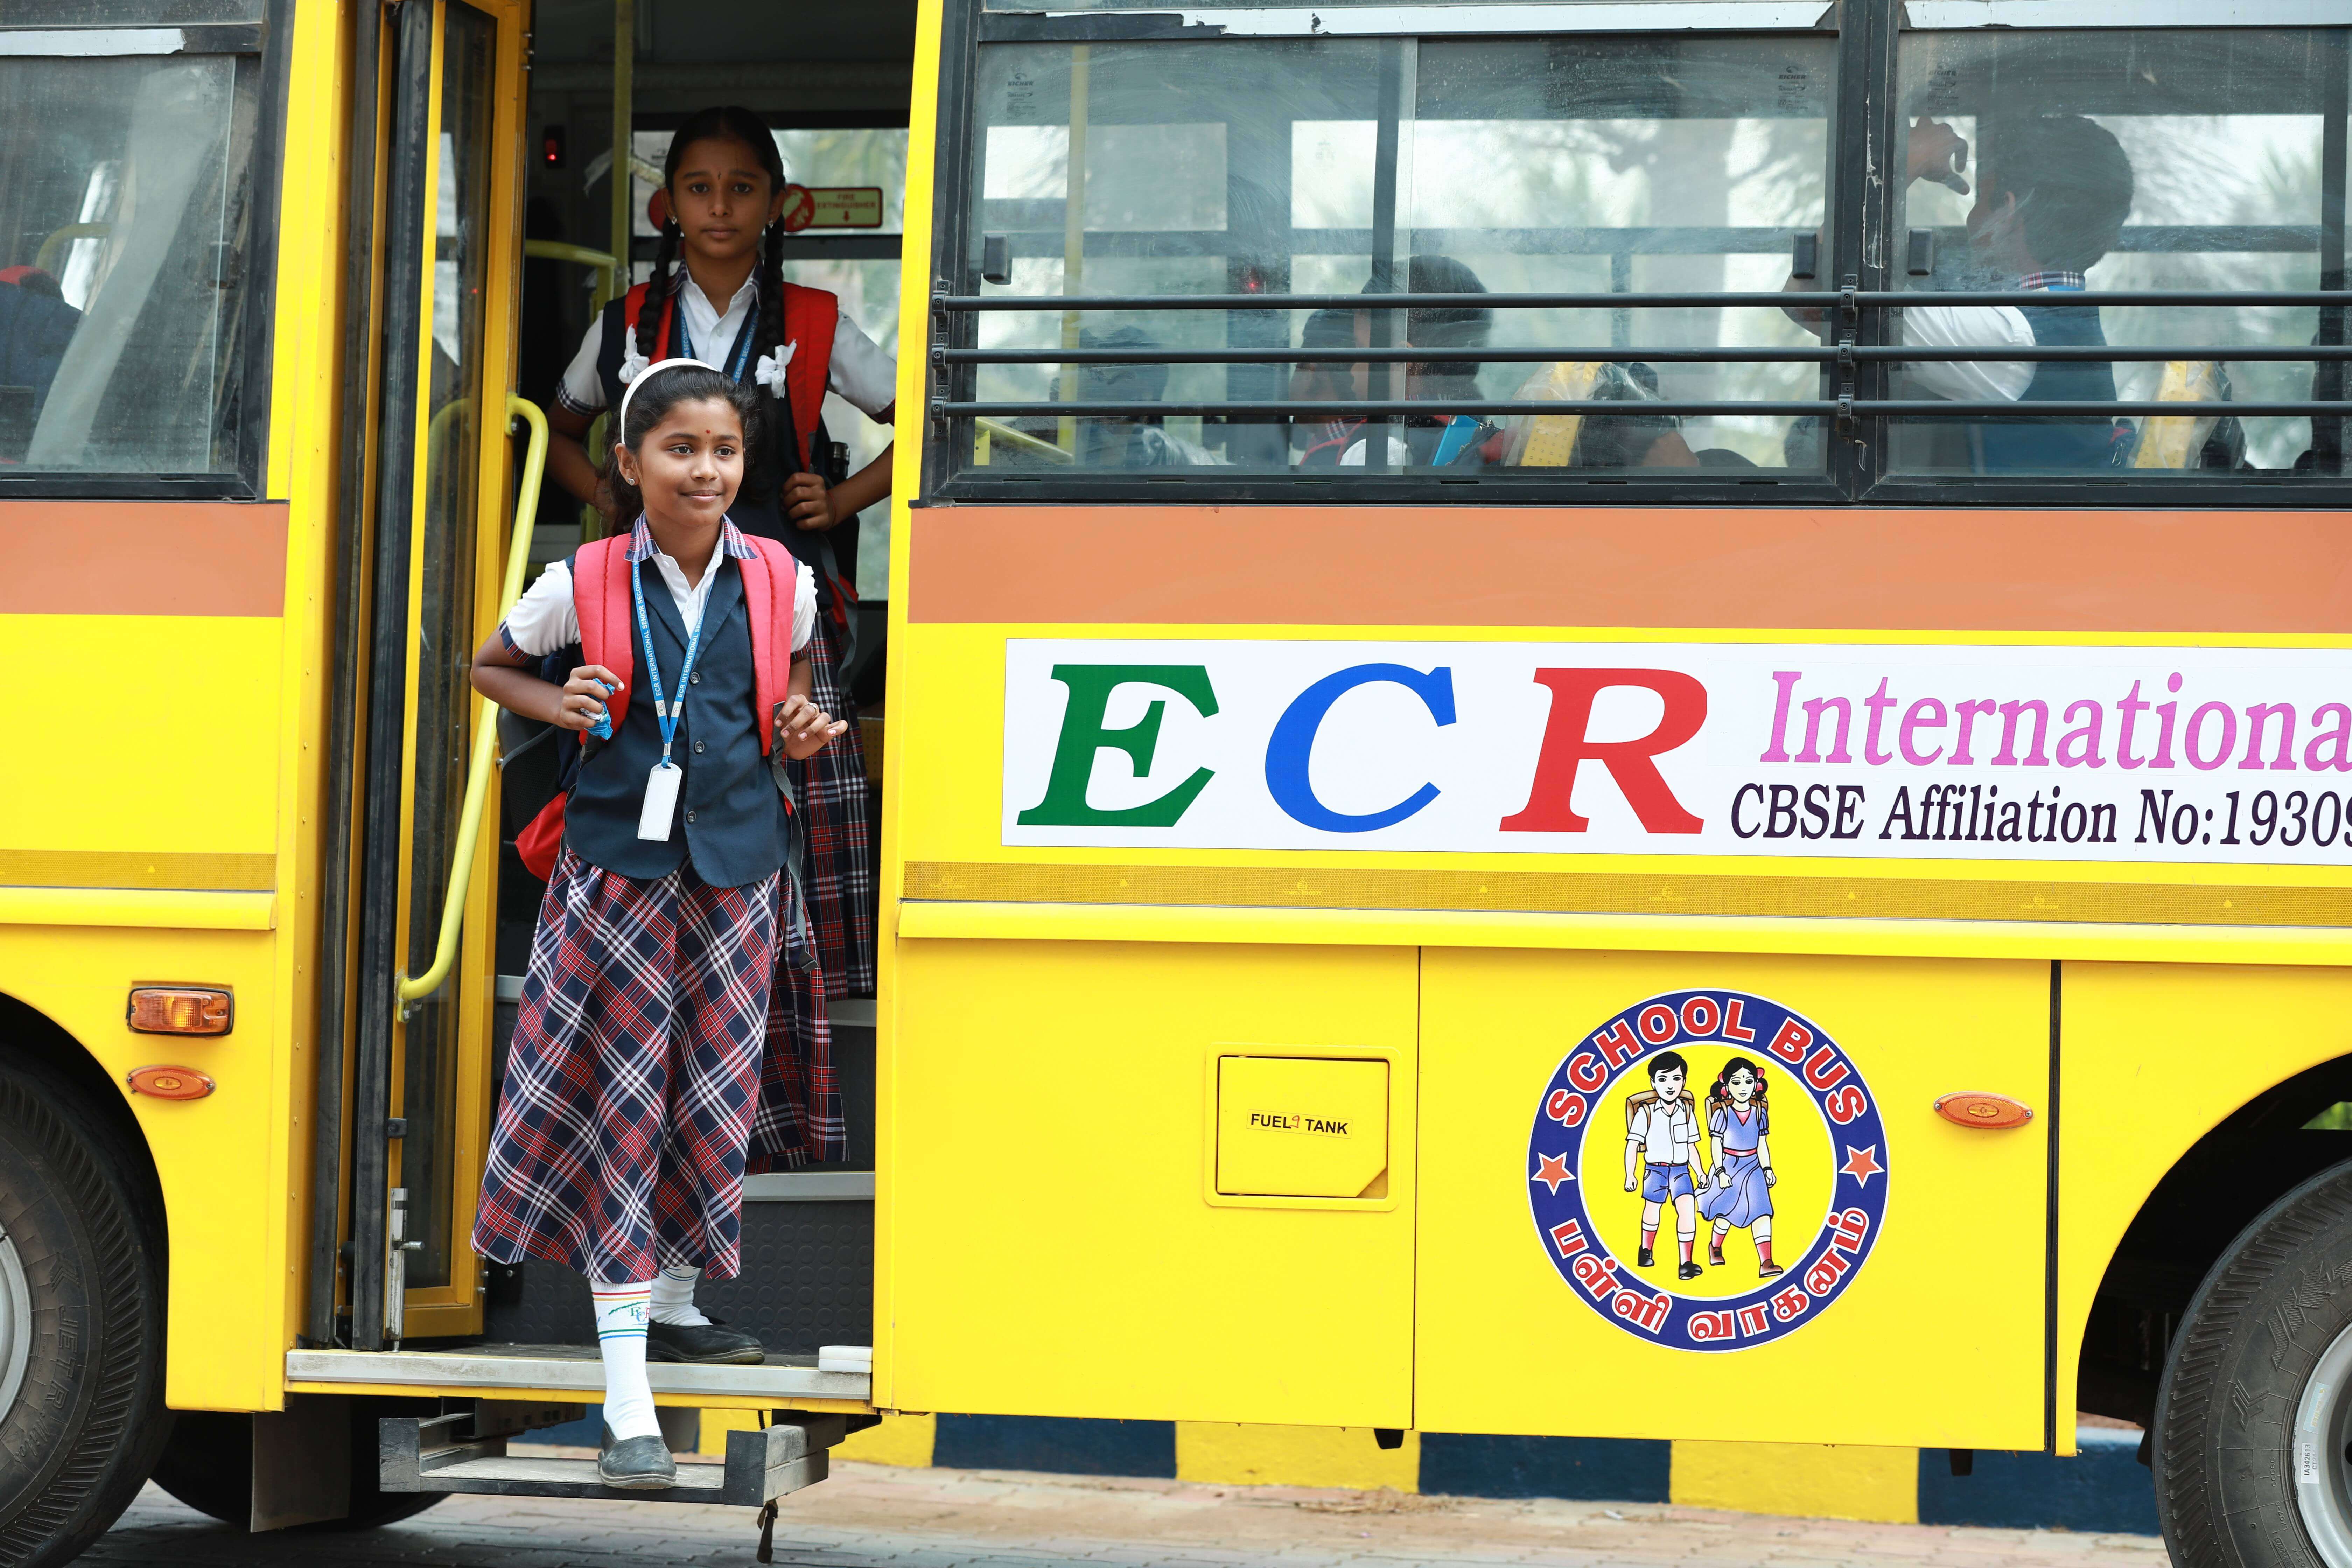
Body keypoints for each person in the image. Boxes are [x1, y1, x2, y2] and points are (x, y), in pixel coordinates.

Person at [469, 360, 847, 1489]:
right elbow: (490, 667)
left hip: (737, 880)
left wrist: (798, 723)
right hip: (617, 883)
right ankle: (625, 1397)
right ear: (629, 466)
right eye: (681, 451)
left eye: (725, 451)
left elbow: (787, 691)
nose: (707, 471)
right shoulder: (579, 580)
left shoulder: (784, 578)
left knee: (709, 1104)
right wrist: (557, 699)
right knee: (626, 1118)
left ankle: (676, 1306)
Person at [548, 104, 886, 1000]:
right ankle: (635, 978)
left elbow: (923, 422)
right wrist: (610, 497)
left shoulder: (816, 319)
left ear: (778, 202)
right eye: (700, 188)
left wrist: (842, 499)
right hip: (646, 596)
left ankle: (787, 985)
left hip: (779, 591)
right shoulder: (625, 323)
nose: (722, 206)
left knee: (783, 777)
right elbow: (554, 428)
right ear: (668, 206)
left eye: (742, 188)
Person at [1792, 114, 2135, 471]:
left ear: (2008, 210)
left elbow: (1810, 294)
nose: (1971, 222)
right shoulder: (2064, 317)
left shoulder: (2009, 336)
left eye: (1981, 200)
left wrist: (1909, 159)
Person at [1623, 1051, 1706, 1281]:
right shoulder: (1646, 1113)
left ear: (1684, 1081)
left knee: (1688, 1210)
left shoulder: (1687, 1112)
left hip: (1681, 1170)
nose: (1670, 1085)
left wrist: (1700, 1172)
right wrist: (1630, 1174)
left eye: (1676, 1079)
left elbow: (1691, 1146)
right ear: (1653, 1083)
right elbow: (1632, 1145)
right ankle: (1646, 1250)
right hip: (1655, 1170)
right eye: (1663, 1079)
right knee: (1653, 1209)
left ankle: (1686, 1263)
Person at [1699, 1057, 1779, 1279]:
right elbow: (1716, 1144)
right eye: (1736, 1082)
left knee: (1762, 1212)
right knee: (1726, 1213)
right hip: (1729, 1166)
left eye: (1748, 1082)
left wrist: (1768, 1168)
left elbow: (1762, 1143)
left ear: (1756, 1084)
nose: (1743, 1088)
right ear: (1727, 1086)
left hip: (1754, 1166)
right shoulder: (1722, 1113)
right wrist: (1720, 1171)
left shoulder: (1760, 1112)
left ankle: (1766, 1262)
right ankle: (1715, 1246)